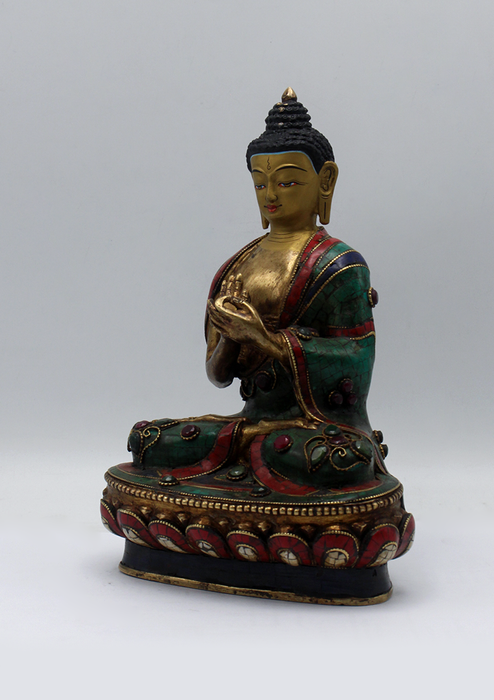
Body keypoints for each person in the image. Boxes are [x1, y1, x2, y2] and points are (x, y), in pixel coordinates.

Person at [126, 88, 387, 496]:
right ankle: (247, 455)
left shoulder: (339, 265)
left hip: (316, 431)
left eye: (287, 181)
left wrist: (266, 341)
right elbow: (217, 375)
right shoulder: (236, 267)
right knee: (147, 439)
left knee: (339, 460)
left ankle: (251, 460)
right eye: (260, 183)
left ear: (325, 180)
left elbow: (356, 362)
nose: (271, 195)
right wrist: (233, 337)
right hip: (249, 424)